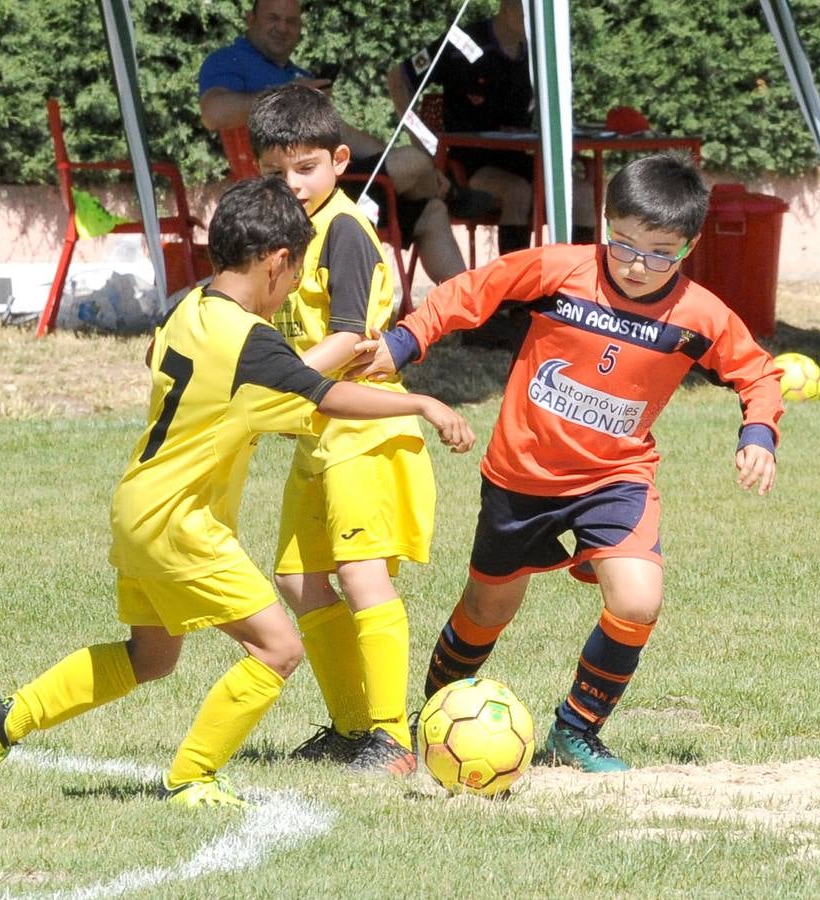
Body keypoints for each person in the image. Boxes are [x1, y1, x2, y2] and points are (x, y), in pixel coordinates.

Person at [0, 176, 475, 810]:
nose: (291, 288)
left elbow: (165, 367)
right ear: (277, 263)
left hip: (137, 506)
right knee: (277, 647)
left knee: (150, 656)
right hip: (181, 522)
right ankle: (193, 776)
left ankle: (3, 721)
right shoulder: (252, 343)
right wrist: (419, 400)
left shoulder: (185, 306)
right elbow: (326, 396)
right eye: (296, 271)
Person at [349, 154, 784, 772]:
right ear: (606, 224)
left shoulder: (700, 316)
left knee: (637, 601)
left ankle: (576, 730)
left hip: (616, 479)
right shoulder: (562, 269)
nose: (636, 265)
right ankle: (436, 718)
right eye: (623, 244)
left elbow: (757, 371)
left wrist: (759, 433)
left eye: (659, 253)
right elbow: (477, 289)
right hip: (520, 477)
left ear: (688, 246)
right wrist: (405, 339)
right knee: (487, 610)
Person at [245, 83, 437, 774]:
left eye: (305, 169)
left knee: (361, 577)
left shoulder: (347, 230)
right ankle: (352, 726)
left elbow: (353, 336)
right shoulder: (284, 238)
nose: (291, 185)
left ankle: (390, 735)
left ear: (339, 160)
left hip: (364, 429)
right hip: (316, 431)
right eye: (275, 172)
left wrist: (278, 382)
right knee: (299, 582)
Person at [198, 0, 492, 285]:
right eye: (273, 18)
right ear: (251, 20)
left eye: (291, 21)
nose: (282, 27)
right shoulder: (228, 61)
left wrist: (415, 169)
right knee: (414, 162)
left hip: (337, 185)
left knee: (431, 211)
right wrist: (286, 93)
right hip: (286, 192)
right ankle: (452, 193)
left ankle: (469, 316)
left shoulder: (300, 76)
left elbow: (346, 135)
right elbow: (213, 112)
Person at [387, 0, 535, 257]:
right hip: (466, 165)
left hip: (521, 158)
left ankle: (581, 293)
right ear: (508, 7)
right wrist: (425, 146)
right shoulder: (460, 42)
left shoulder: (540, 53)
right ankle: (513, 295)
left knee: (580, 192)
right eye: (530, 14)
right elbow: (399, 78)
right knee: (518, 193)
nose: (537, 23)